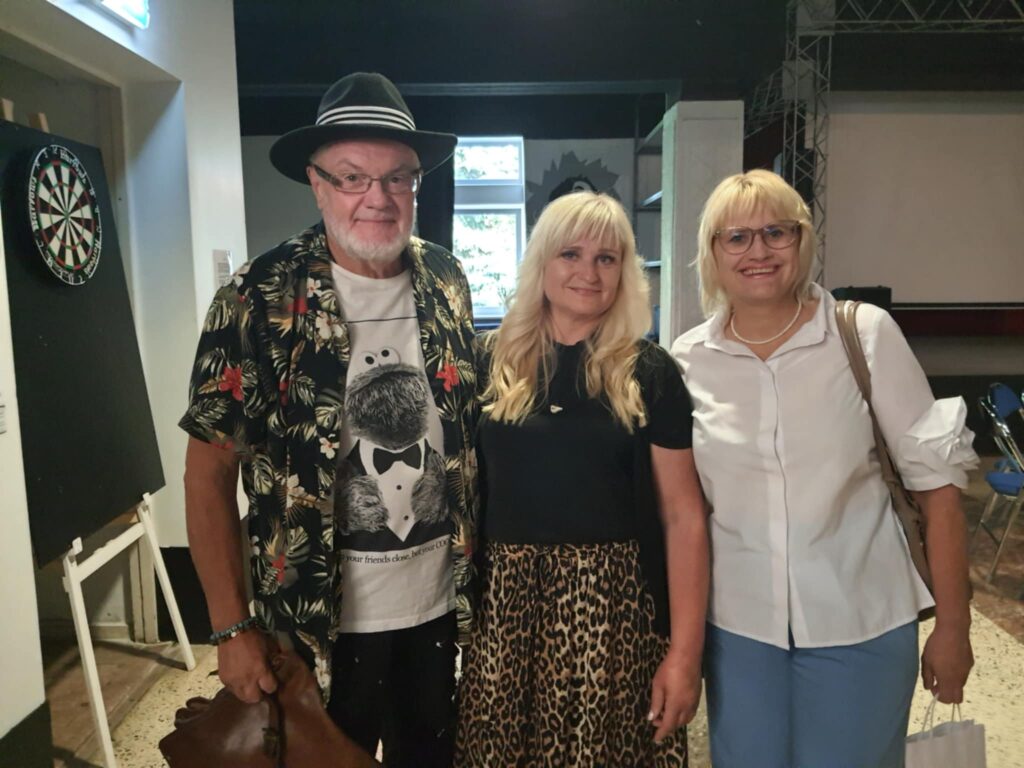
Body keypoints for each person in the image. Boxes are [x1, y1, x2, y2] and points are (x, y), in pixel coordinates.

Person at [179, 72, 478, 767]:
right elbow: (207, 473)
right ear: (317, 184)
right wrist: (230, 629)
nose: (378, 197)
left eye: (398, 177)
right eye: (352, 177)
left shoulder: (447, 282)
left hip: (436, 608)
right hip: (312, 626)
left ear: (416, 184)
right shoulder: (256, 298)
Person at [670, 169, 977, 768]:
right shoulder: (688, 360)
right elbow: (685, 510)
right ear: (713, 253)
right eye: (737, 237)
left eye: (776, 232)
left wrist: (954, 626)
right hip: (739, 632)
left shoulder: (861, 334)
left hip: (861, 620)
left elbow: (937, 492)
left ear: (801, 239)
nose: (758, 251)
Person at [456, 191, 709, 767]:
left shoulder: (649, 372)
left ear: (625, 271)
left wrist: (685, 655)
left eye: (606, 258)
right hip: (505, 607)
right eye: (571, 254)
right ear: (541, 262)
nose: (588, 273)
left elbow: (684, 517)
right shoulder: (487, 361)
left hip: (614, 610)